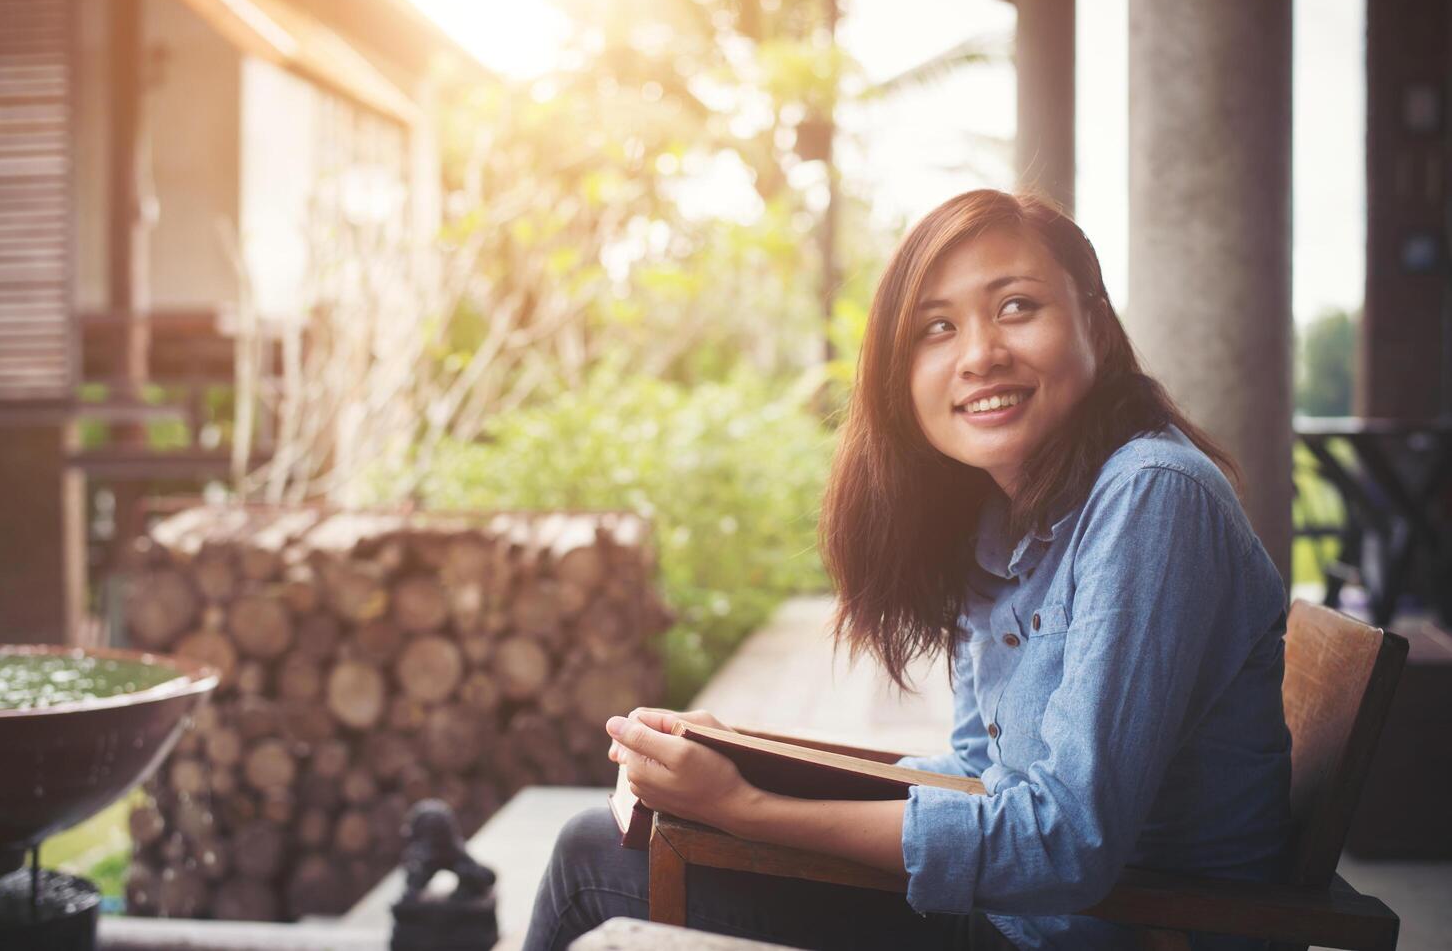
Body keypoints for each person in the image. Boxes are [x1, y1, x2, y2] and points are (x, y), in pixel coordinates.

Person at [523, 189, 1292, 950]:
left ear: (1093, 322)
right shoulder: (999, 517)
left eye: (1017, 306)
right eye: (936, 327)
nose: (979, 353)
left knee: (594, 865)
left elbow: (1062, 846)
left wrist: (747, 808)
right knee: (593, 848)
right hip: (1015, 919)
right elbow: (972, 770)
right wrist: (752, 762)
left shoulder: (1151, 494)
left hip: (1104, 933)